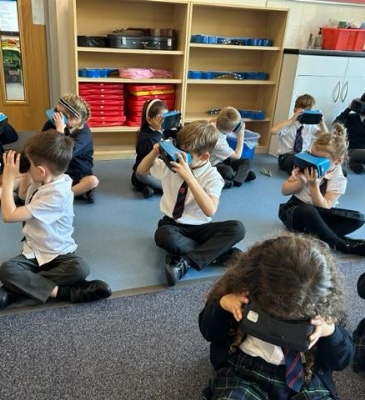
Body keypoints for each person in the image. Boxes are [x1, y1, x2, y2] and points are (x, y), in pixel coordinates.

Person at [199, 232, 353, 400]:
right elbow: (209, 331)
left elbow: (341, 360)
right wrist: (222, 305)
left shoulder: (320, 302)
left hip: (304, 375)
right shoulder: (244, 290)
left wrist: (329, 331)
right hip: (246, 368)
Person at [0, 130, 111, 309]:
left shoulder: (58, 194)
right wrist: (27, 170)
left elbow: (9, 215)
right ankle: (60, 290)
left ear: (41, 171)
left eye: (29, 163)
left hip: (59, 253)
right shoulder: (46, 179)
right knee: (7, 270)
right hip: (33, 252)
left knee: (80, 268)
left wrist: (8, 178)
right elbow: (23, 194)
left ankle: (19, 289)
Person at [137, 120, 245, 286]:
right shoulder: (171, 165)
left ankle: (186, 261)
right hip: (172, 225)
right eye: (178, 150)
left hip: (200, 227)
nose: (179, 157)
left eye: (186, 155)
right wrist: (154, 153)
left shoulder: (213, 177)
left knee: (237, 228)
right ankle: (217, 254)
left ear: (204, 156)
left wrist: (189, 177)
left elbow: (210, 210)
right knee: (163, 235)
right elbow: (141, 171)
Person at [279, 123, 365, 256]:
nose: (314, 162)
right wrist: (301, 182)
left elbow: (325, 206)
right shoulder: (306, 166)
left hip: (321, 212)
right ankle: (342, 245)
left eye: (321, 159)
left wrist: (314, 186)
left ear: (338, 161)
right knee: (308, 210)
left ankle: (317, 235)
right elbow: (284, 191)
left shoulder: (339, 179)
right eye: (312, 156)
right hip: (295, 211)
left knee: (358, 218)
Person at [42, 94, 98, 203]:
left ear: (75, 118)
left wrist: (60, 131)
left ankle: (66, 194)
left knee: (92, 181)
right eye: (56, 111)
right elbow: (41, 144)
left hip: (78, 173)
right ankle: (73, 192)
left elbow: (63, 153)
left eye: (61, 115)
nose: (56, 116)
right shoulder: (51, 124)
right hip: (58, 171)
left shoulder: (84, 135)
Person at [271, 93, 328, 175]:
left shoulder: (310, 126)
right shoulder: (289, 124)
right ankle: (302, 171)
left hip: (303, 155)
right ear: (295, 111)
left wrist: (322, 122)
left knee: (317, 158)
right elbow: (273, 131)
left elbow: (326, 137)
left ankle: (298, 172)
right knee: (298, 159)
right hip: (286, 157)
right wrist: (292, 119)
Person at [209, 107, 256, 188]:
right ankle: (235, 181)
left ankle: (235, 178)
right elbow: (237, 155)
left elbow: (211, 120)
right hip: (214, 164)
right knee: (228, 171)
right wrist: (241, 135)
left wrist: (222, 119)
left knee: (248, 162)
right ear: (231, 130)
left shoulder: (213, 125)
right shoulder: (219, 143)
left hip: (224, 159)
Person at [131, 98, 168, 198]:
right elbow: (155, 156)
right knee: (141, 177)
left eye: (166, 116)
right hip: (145, 170)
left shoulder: (163, 131)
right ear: (149, 119)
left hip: (159, 168)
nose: (164, 121)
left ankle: (153, 188)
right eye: (161, 117)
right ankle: (152, 187)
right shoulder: (145, 137)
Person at [333, 92, 365, 174]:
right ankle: (350, 159)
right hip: (352, 149)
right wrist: (348, 109)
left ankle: (353, 162)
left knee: (361, 168)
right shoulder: (353, 117)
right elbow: (336, 124)